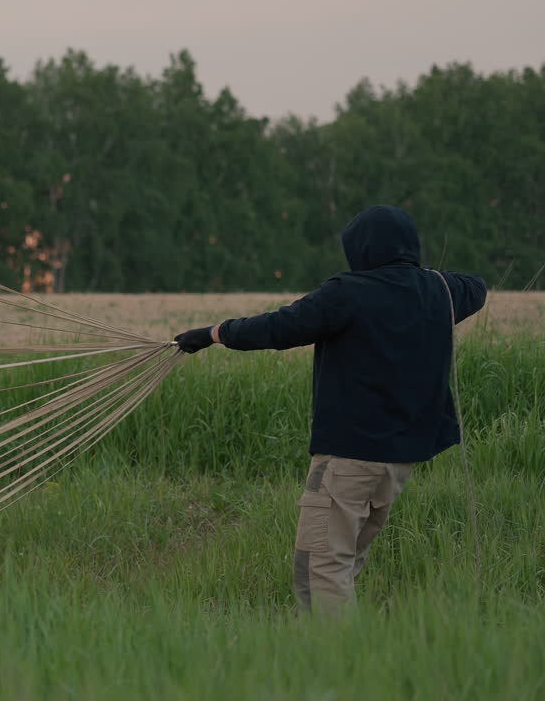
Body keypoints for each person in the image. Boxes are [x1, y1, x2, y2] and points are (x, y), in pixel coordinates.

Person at [174, 205, 486, 614]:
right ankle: (342, 657)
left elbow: (278, 327)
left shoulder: (347, 293)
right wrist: (415, 274)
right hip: (399, 463)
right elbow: (476, 286)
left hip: (348, 459)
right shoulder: (440, 290)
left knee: (320, 568)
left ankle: (335, 665)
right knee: (346, 561)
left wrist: (213, 334)